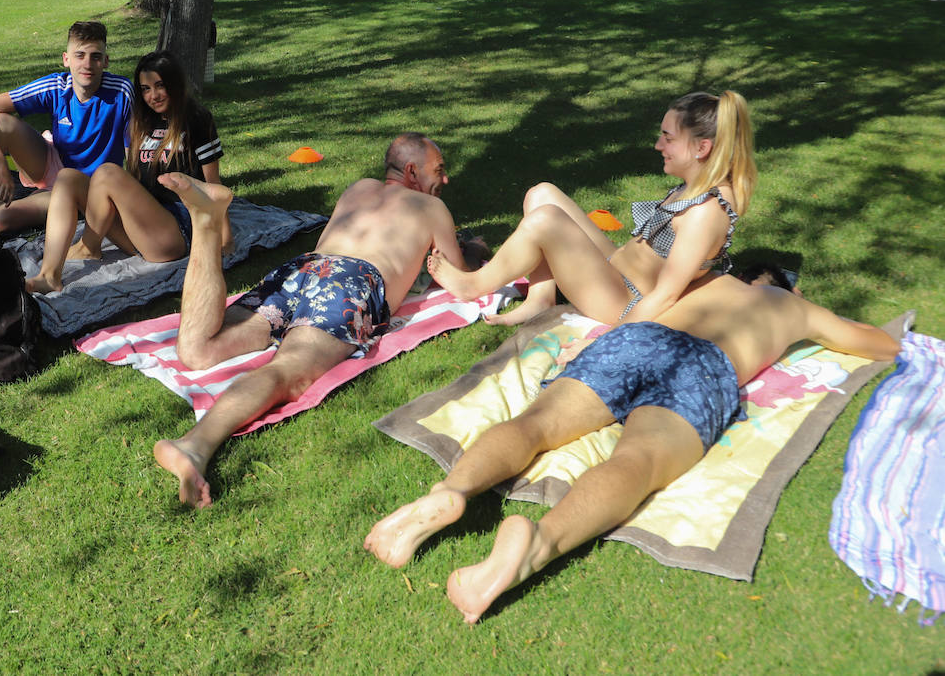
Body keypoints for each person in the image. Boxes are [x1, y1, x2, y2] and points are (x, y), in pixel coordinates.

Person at [363, 272, 900, 623]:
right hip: (704, 369)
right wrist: (816, 319)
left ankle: (454, 491)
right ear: (786, 287)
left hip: (641, 340)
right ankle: (538, 545)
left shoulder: (709, 281)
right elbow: (880, 344)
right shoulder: (793, 308)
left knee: (537, 424)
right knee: (638, 463)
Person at [152, 133, 470, 509]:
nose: (445, 180)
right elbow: (460, 277)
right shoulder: (431, 208)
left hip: (306, 267)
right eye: (440, 170)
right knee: (290, 368)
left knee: (199, 350)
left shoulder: (359, 188)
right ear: (413, 170)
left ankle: (206, 224)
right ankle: (193, 445)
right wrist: (474, 249)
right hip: (351, 282)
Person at [429, 91, 756, 328]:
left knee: (545, 221)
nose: (658, 146)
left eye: (668, 138)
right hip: (615, 269)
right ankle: (540, 300)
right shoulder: (700, 184)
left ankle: (473, 285)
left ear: (702, 148)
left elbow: (666, 296)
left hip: (622, 301)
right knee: (542, 194)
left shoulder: (706, 212)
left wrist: (604, 344)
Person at [0, 21, 133, 249]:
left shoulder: (122, 92)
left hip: (87, 191)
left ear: (106, 61)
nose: (87, 64)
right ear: (66, 59)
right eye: (80, 55)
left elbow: (134, 150)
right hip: (52, 165)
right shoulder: (57, 86)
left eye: (96, 56)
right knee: (0, 123)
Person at [26, 50, 231, 293]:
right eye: (145, 89)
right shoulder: (140, 121)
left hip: (176, 232)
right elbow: (136, 180)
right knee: (67, 178)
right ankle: (49, 274)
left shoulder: (196, 119)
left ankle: (89, 246)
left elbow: (214, 187)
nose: (152, 96)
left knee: (108, 173)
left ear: (174, 84)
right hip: (139, 230)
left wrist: (225, 243)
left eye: (159, 86)